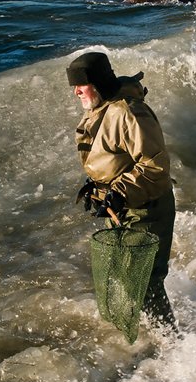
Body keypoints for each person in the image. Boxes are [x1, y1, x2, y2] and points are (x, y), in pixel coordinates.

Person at [66, 51, 176, 329]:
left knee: (145, 282)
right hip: (120, 207)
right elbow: (112, 158)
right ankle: (147, 338)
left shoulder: (130, 112)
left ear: (99, 83)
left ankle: (174, 347)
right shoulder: (101, 107)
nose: (76, 91)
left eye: (82, 85)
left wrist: (120, 192)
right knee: (125, 278)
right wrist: (99, 186)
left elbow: (155, 168)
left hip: (145, 208)